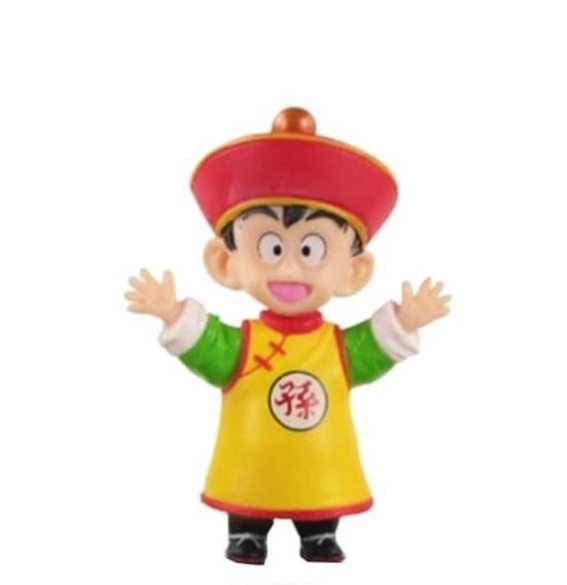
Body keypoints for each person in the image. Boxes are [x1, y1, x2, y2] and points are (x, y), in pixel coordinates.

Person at [125, 108, 450, 564]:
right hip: (248, 465)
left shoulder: (336, 347)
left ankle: (319, 532)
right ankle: (246, 531)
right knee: (247, 494)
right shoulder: (243, 344)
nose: (290, 268)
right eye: (271, 248)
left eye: (312, 249)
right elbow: (210, 348)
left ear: (353, 272)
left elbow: (370, 350)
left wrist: (405, 321)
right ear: (225, 263)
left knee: (320, 498)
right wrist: (173, 314)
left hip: (323, 468)